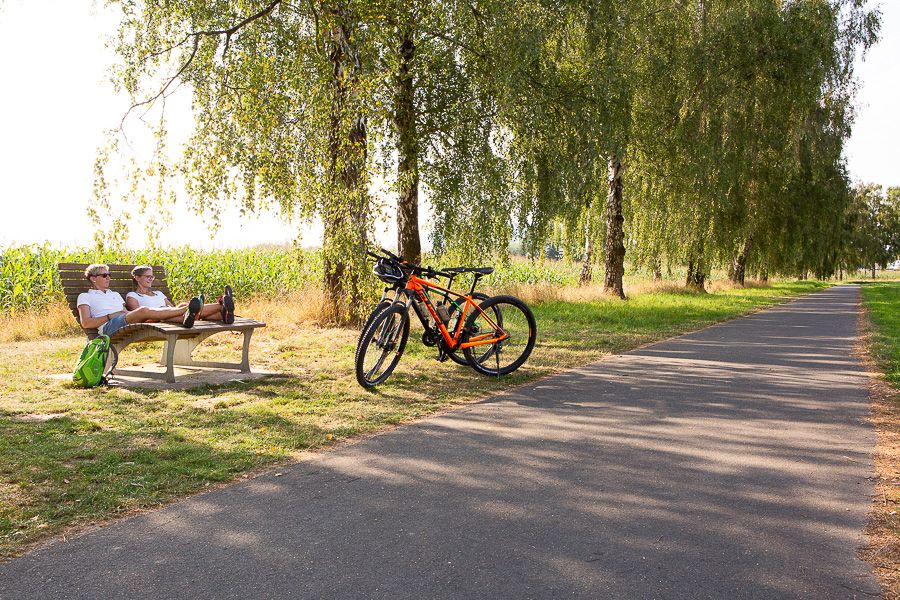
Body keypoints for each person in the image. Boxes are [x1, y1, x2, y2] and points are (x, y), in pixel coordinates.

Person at [76, 264, 200, 337]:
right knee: (143, 310)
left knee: (152, 315)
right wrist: (110, 316)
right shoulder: (85, 296)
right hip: (109, 326)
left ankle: (185, 317)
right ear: (93, 279)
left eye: (109, 275)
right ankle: (185, 309)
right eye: (104, 275)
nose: (108, 278)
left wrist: (128, 314)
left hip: (125, 320)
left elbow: (125, 312)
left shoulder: (114, 294)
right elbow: (86, 323)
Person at [125, 265, 235, 324]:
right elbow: (138, 316)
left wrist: (171, 310)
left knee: (183, 305)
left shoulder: (159, 293)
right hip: (158, 318)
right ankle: (222, 307)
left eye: (151, 277)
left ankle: (222, 311)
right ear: (137, 278)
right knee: (184, 308)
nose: (150, 279)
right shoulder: (132, 296)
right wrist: (161, 314)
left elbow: (172, 308)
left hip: (171, 314)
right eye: (147, 276)